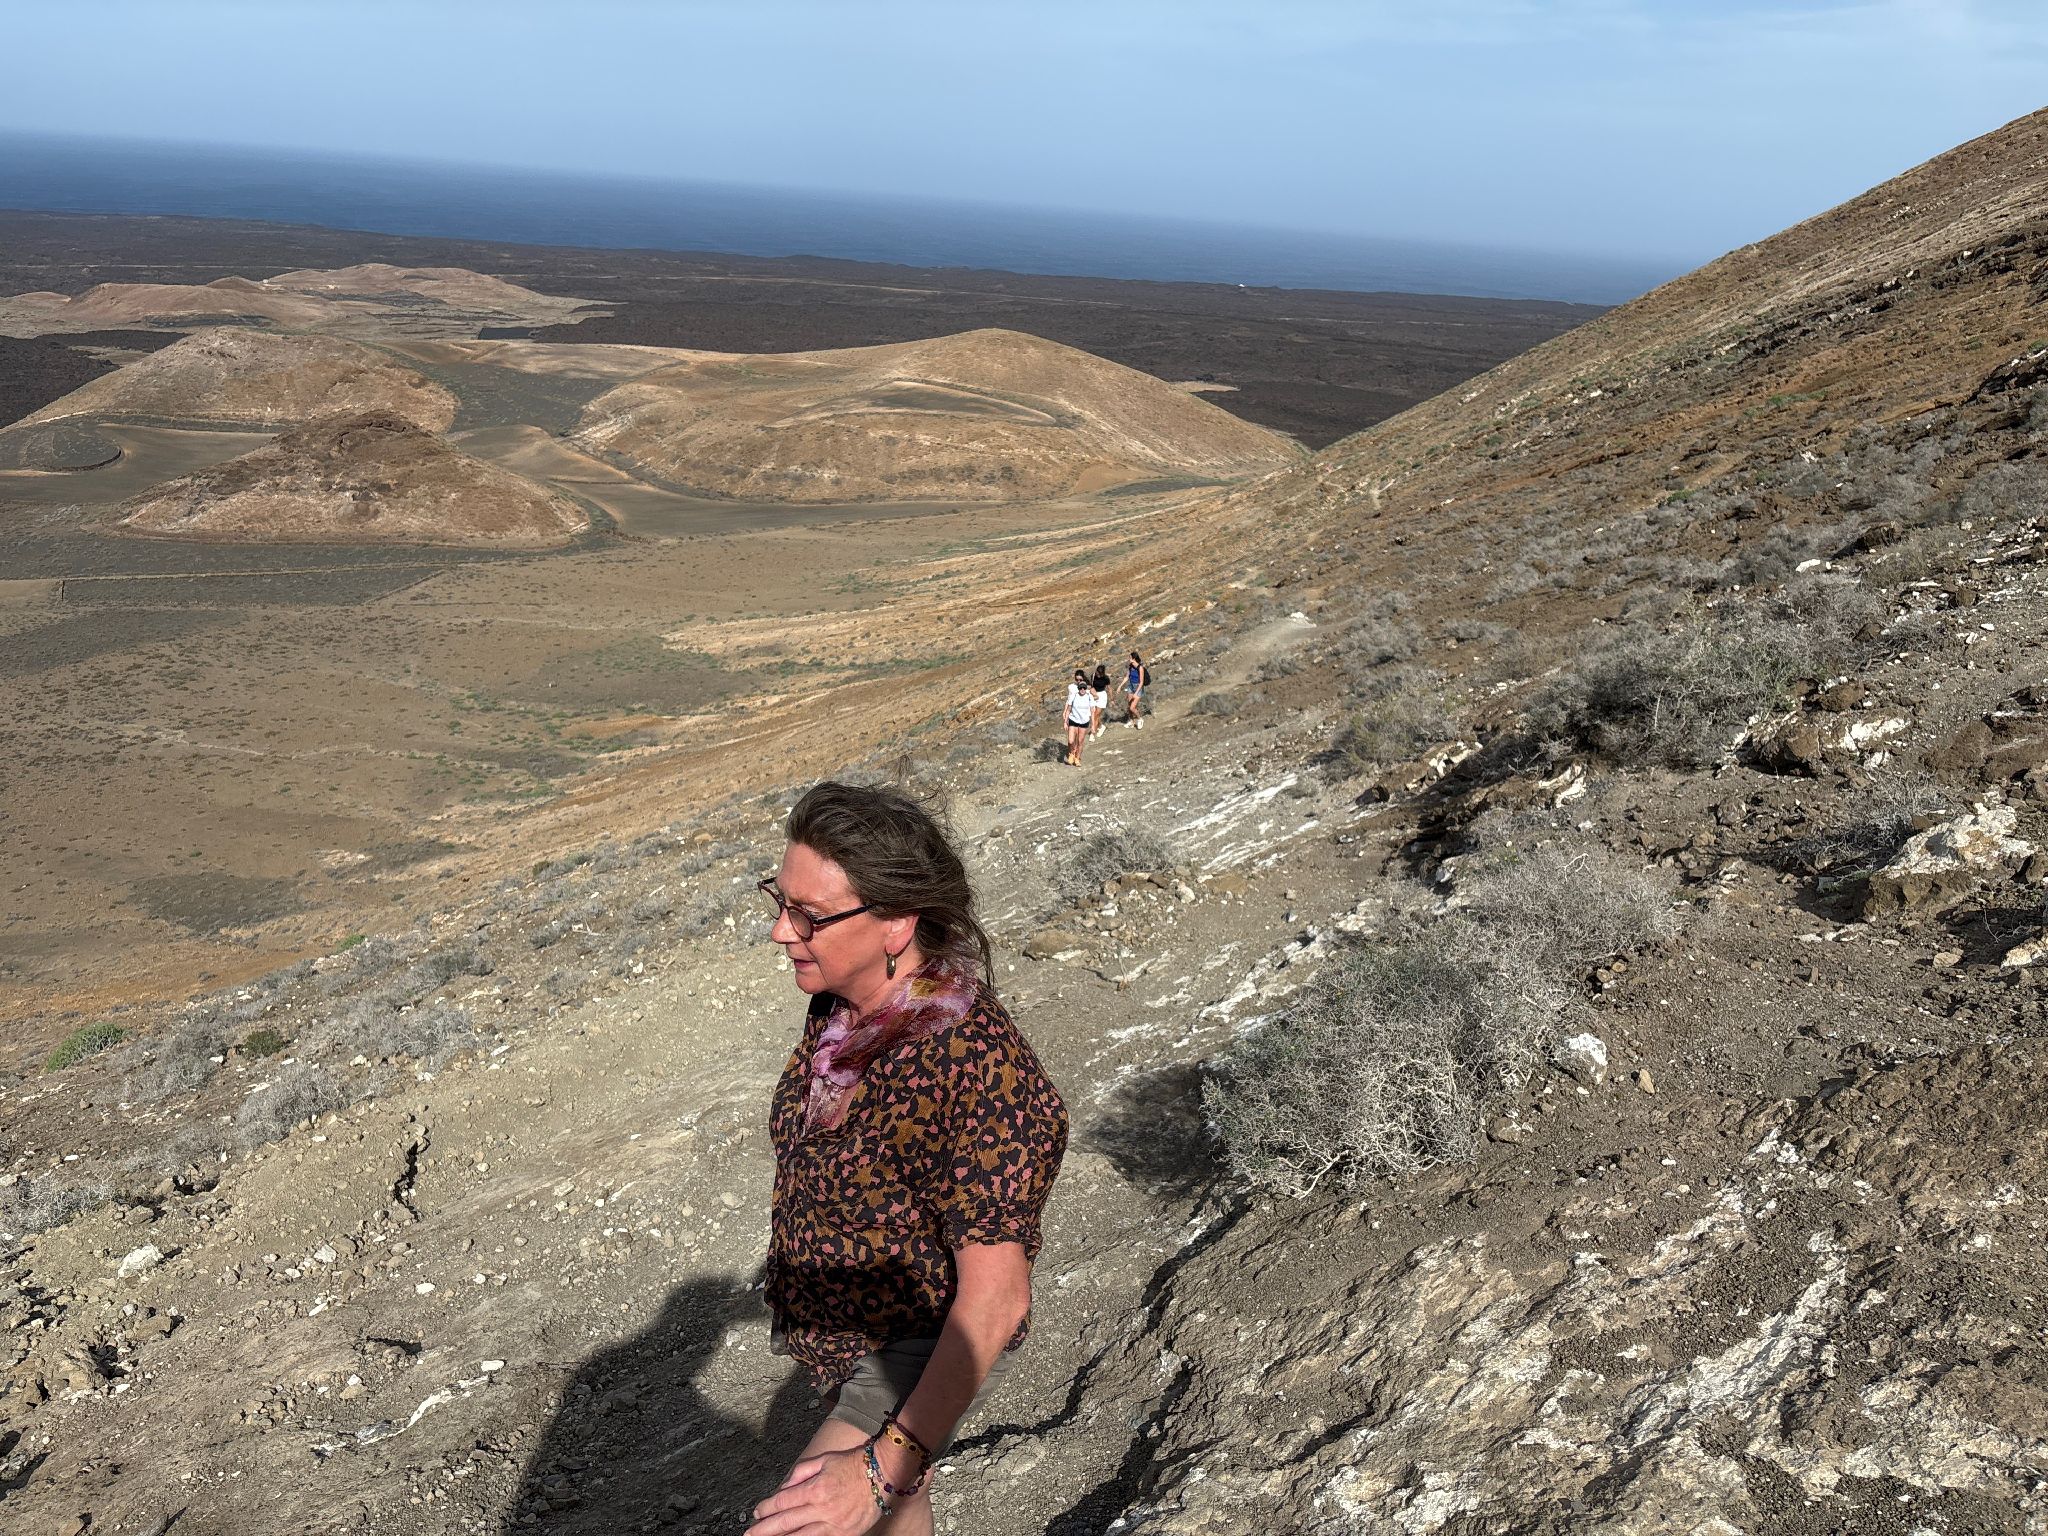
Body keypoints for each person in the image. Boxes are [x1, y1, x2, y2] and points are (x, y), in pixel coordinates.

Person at [748, 782, 1068, 1536]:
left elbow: (996, 1301)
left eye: (810, 915)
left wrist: (882, 1466)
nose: (781, 932)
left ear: (896, 922)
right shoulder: (845, 1009)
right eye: (779, 901)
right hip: (848, 1333)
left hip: (914, 1343)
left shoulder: (972, 1063)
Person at [1062, 667, 1093, 766]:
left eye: (1080, 680)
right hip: (1073, 717)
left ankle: (1077, 757)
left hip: (1084, 720)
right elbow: (1069, 703)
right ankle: (1071, 753)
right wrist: (1065, 715)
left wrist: (1093, 724)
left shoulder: (1088, 692)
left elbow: (1093, 707)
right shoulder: (1073, 690)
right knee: (1071, 740)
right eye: (1077, 680)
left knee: (1080, 741)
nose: (1079, 682)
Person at [1123, 650, 1149, 728]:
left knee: (1132, 708)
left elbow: (1141, 682)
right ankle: (1131, 721)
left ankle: (1140, 719)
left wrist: (1136, 693)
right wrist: (1120, 686)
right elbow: (1127, 677)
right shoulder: (1130, 666)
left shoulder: (1140, 668)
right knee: (1129, 706)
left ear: (1134, 658)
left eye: (1130, 657)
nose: (1129, 658)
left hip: (1138, 687)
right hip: (1131, 686)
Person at [1089, 664, 1110, 740]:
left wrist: (1112, 699)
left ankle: (1092, 734)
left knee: (1095, 715)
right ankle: (1101, 726)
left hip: (1102, 696)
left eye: (1099, 674)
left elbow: (1109, 688)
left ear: (1102, 673)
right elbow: (1091, 686)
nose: (1098, 675)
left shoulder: (1106, 678)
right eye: (1097, 672)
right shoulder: (1093, 676)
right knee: (1093, 715)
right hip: (1094, 695)